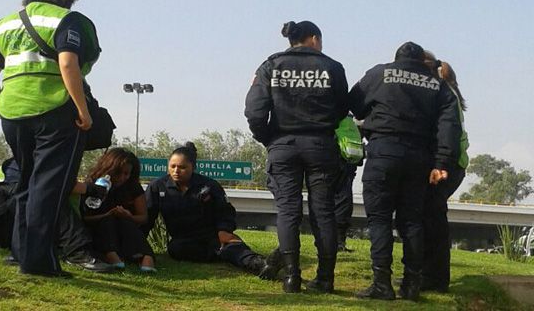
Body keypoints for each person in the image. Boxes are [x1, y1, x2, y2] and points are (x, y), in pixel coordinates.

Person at [0, 0, 101, 277]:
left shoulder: (5, 24)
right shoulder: (65, 19)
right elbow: (67, 63)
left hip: (13, 114)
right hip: (54, 112)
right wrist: (82, 110)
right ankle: (39, 263)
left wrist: (2, 109)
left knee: (24, 183)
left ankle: (18, 253)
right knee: (49, 189)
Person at [349, 42, 461, 301]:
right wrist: (442, 163)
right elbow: (449, 126)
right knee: (411, 221)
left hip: (383, 153)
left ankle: (381, 283)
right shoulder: (438, 85)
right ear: (423, 61)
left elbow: (355, 102)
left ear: (396, 58)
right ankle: (411, 284)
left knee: (379, 220)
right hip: (420, 158)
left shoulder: (380, 73)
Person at [244, 21, 349, 293]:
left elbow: (254, 111)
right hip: (321, 145)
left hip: (283, 144)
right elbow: (341, 109)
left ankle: (291, 277)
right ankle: (325, 278)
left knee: (288, 211)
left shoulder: (270, 66)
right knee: (323, 212)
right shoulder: (333, 67)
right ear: (314, 39)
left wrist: (270, 138)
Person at [145, 143, 278, 278]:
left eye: (182, 167)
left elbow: (225, 212)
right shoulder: (157, 187)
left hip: (214, 235)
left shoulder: (209, 185)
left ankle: (262, 264)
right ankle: (220, 254)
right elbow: (147, 217)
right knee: (175, 249)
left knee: (232, 248)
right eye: (172, 166)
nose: (176, 171)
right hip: (184, 241)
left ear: (193, 167)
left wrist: (224, 231)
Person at [420, 51, 469, 292]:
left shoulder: (439, 93)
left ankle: (435, 279)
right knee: (430, 219)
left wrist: (439, 166)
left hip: (444, 165)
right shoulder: (449, 92)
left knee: (432, 221)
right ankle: (427, 275)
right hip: (452, 164)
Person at [79, 148, 156, 273]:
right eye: (118, 173)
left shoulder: (132, 187)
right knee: (108, 220)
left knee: (124, 220)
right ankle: (111, 254)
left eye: (126, 174)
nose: (122, 177)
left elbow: (143, 217)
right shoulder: (92, 185)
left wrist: (129, 216)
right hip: (98, 232)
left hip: (125, 232)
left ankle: (146, 256)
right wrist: (106, 215)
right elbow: (83, 219)